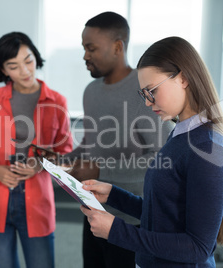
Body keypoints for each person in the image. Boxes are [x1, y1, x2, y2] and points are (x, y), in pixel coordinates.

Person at [80, 36, 223, 268]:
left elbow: (197, 247)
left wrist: (117, 231)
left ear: (184, 78)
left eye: (152, 91)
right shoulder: (180, 133)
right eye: (144, 94)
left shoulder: (206, 146)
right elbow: (164, 216)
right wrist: (114, 195)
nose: (147, 102)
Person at [63, 12, 173, 268]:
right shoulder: (90, 91)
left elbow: (162, 160)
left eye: (91, 48)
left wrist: (100, 170)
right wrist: (58, 160)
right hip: (92, 209)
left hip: (131, 219)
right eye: (83, 48)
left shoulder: (144, 91)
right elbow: (90, 145)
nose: (85, 56)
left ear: (117, 47)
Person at [0, 32, 73, 268]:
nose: (25, 71)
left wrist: (38, 165)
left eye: (28, 60)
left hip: (37, 200)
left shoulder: (57, 102)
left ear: (36, 57)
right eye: (13, 66)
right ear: (4, 70)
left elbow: (65, 154)